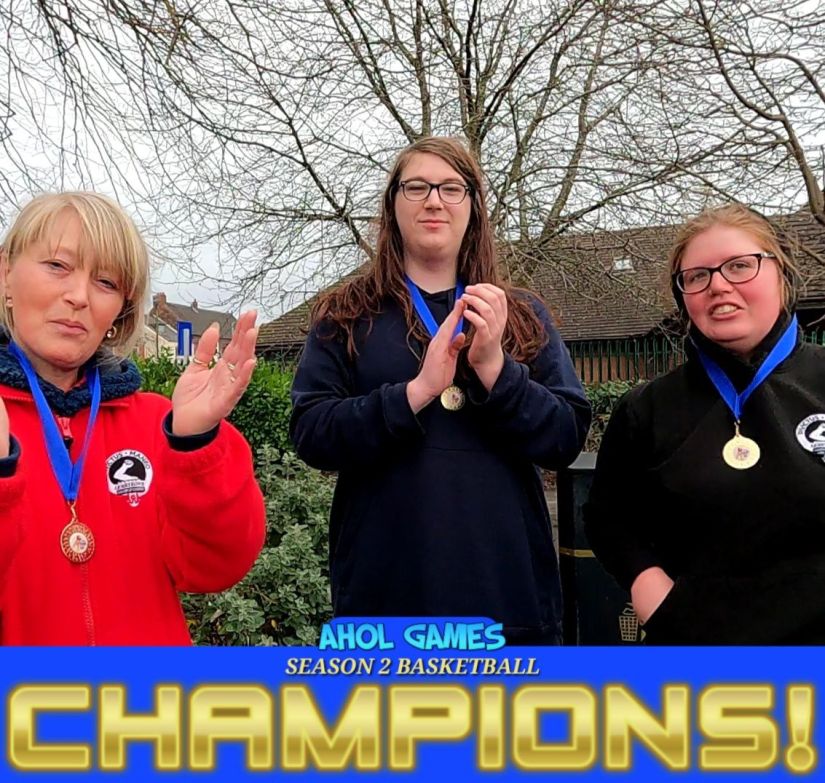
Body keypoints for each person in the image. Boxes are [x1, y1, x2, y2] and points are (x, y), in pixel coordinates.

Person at [290, 136, 591, 645]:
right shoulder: (345, 314)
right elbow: (312, 434)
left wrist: (496, 369)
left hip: (508, 602)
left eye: (452, 188)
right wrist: (415, 393)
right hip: (384, 606)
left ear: (473, 207)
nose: (434, 201)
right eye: (417, 187)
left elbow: (565, 438)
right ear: (393, 205)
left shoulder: (519, 315)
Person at [0, 192, 266, 645]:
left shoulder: (158, 423)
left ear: (120, 309)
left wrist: (195, 444)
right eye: (57, 265)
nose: (78, 296)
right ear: (6, 273)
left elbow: (215, 567)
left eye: (105, 282)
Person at [584, 203, 825, 644]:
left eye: (739, 266)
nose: (718, 285)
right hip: (699, 663)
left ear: (782, 274)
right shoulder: (646, 409)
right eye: (697, 276)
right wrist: (654, 596)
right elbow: (609, 519)